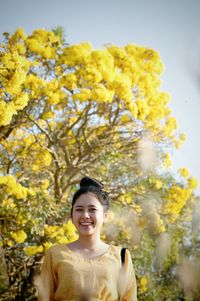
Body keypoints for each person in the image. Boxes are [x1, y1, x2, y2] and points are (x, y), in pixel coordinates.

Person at [36, 176, 137, 301]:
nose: (85, 215)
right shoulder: (55, 254)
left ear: (105, 216)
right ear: (72, 215)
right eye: (79, 209)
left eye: (92, 209)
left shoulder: (122, 256)